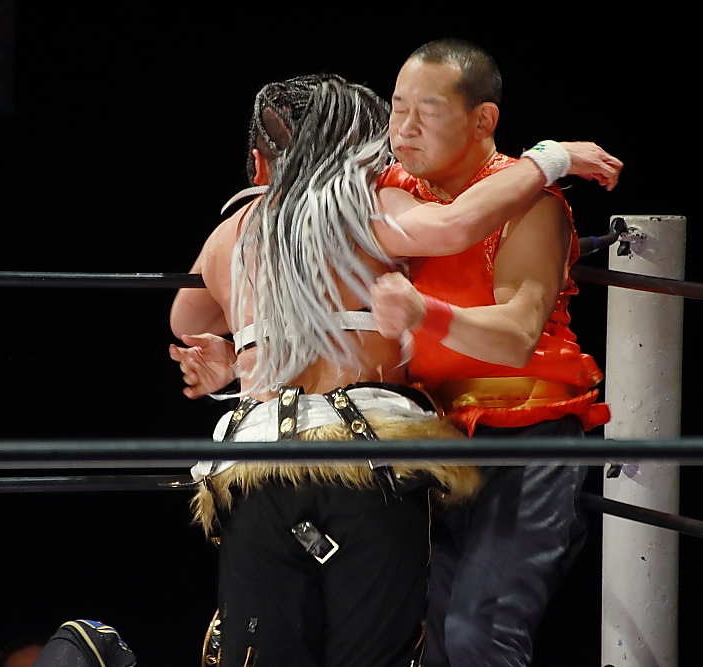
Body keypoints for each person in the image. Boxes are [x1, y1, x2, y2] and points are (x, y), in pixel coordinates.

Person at [170, 73, 619, 667]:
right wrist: (552, 158)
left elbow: (184, 320)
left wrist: (237, 352)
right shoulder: (368, 206)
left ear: (259, 162)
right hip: (368, 459)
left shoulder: (231, 232)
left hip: (258, 465)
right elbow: (458, 224)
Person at [367, 38, 620, 667]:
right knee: (425, 641)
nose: (404, 128)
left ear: (483, 120)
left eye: (427, 110)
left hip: (526, 440)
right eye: (397, 108)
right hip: (431, 441)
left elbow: (515, 335)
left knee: (481, 635)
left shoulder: (531, 202)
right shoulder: (389, 187)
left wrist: (422, 313)